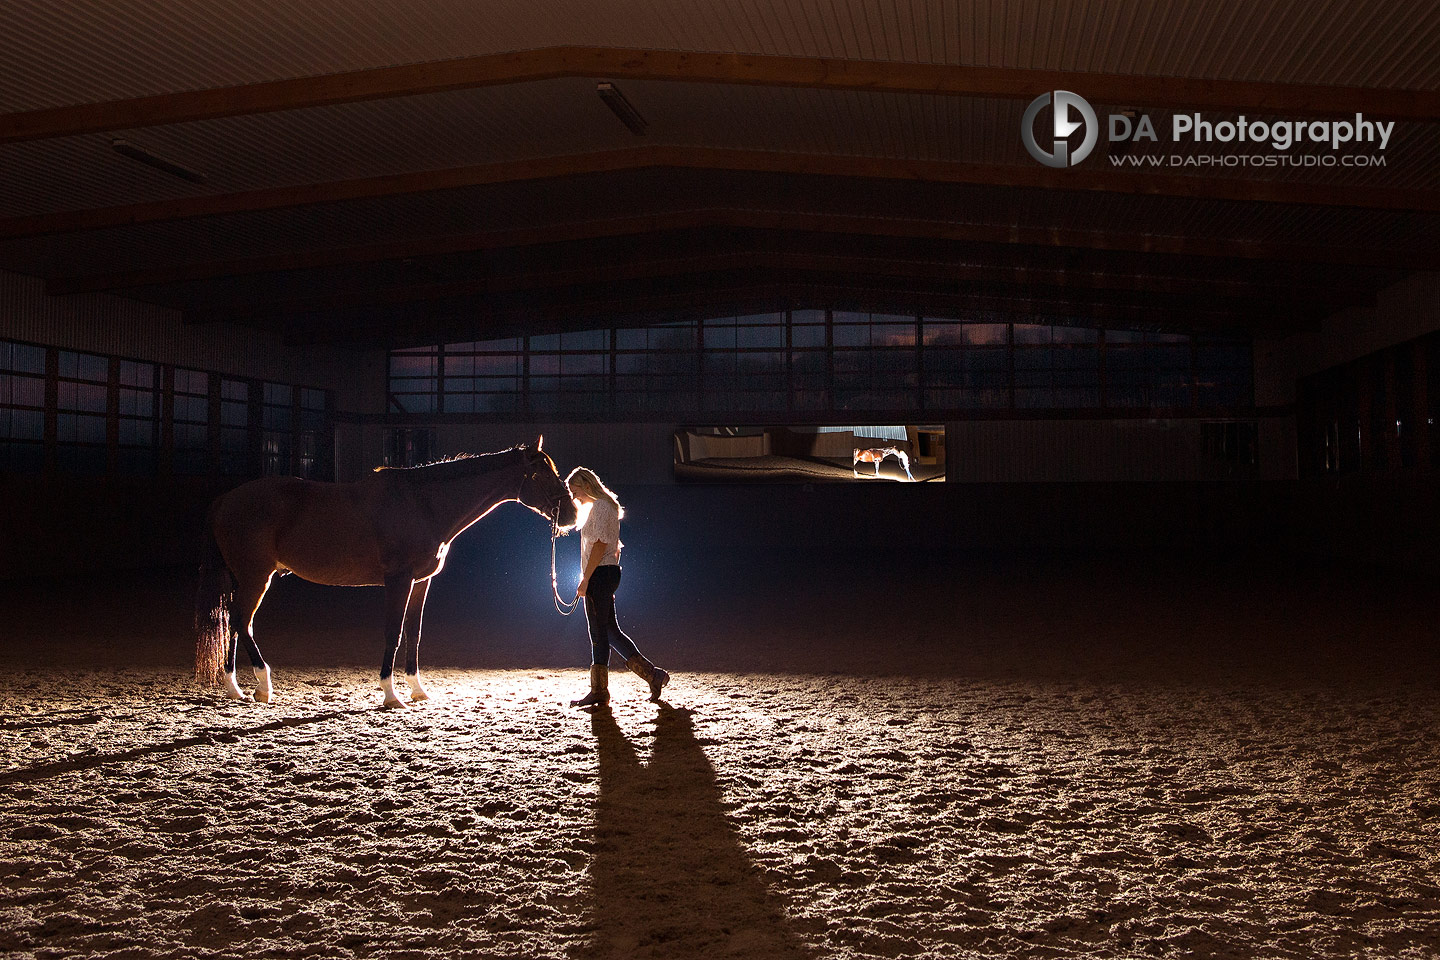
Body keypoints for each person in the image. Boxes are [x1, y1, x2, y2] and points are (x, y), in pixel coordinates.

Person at [565, 467, 670, 707]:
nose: (574, 496)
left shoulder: (601, 507)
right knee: (609, 632)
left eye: (575, 490)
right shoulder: (604, 507)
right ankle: (651, 676)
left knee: (601, 634)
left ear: (587, 485)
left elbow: (601, 545)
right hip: (607, 573)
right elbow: (615, 547)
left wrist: (586, 579)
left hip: (600, 575)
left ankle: (604, 689)